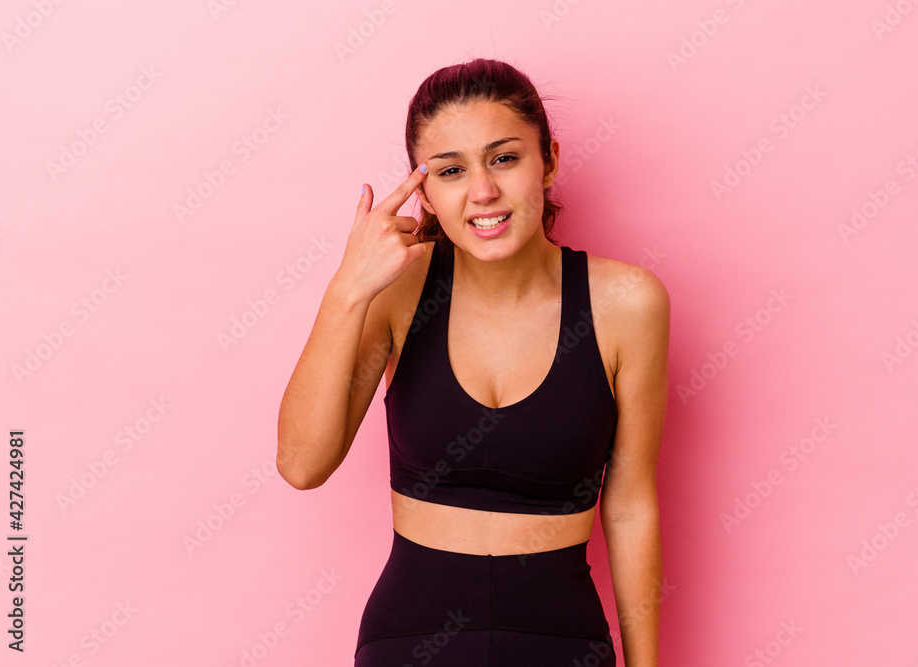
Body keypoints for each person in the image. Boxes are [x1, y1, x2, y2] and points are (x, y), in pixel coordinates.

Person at [276, 58, 669, 666]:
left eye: (504, 158)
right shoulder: (397, 293)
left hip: (562, 644)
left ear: (550, 161)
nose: (482, 191)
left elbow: (631, 503)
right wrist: (347, 290)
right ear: (424, 192)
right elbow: (302, 465)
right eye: (451, 170)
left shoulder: (626, 303)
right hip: (409, 643)